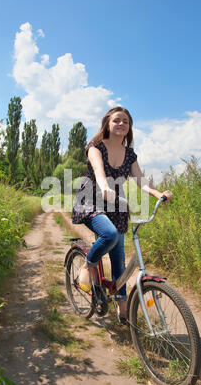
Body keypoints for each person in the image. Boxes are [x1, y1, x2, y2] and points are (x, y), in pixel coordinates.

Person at [71, 106, 173, 323]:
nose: (121, 124)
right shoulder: (95, 147)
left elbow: (140, 179)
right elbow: (99, 171)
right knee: (110, 234)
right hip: (92, 201)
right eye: (117, 120)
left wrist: (158, 194)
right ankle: (87, 267)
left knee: (119, 263)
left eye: (125, 121)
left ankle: (124, 312)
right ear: (107, 123)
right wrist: (105, 187)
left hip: (116, 205)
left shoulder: (130, 154)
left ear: (130, 128)